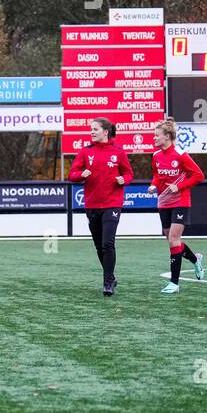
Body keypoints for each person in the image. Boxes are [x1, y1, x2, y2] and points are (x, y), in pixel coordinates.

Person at [68, 117, 133, 296]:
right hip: (92, 204)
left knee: (107, 243)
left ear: (105, 132)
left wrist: (124, 179)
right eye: (91, 129)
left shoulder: (118, 152)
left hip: (112, 203)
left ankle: (107, 282)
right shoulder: (85, 152)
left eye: (95, 129)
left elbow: (128, 173)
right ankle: (111, 276)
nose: (92, 132)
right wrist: (82, 174)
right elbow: (72, 175)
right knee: (98, 245)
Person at [147, 117, 205, 294]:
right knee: (172, 241)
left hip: (180, 201)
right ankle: (195, 260)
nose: (154, 138)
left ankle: (174, 283)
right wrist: (153, 185)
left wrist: (178, 186)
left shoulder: (180, 155)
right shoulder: (156, 156)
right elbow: (158, 175)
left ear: (167, 137)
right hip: (163, 202)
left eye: (157, 136)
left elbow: (198, 175)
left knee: (173, 240)